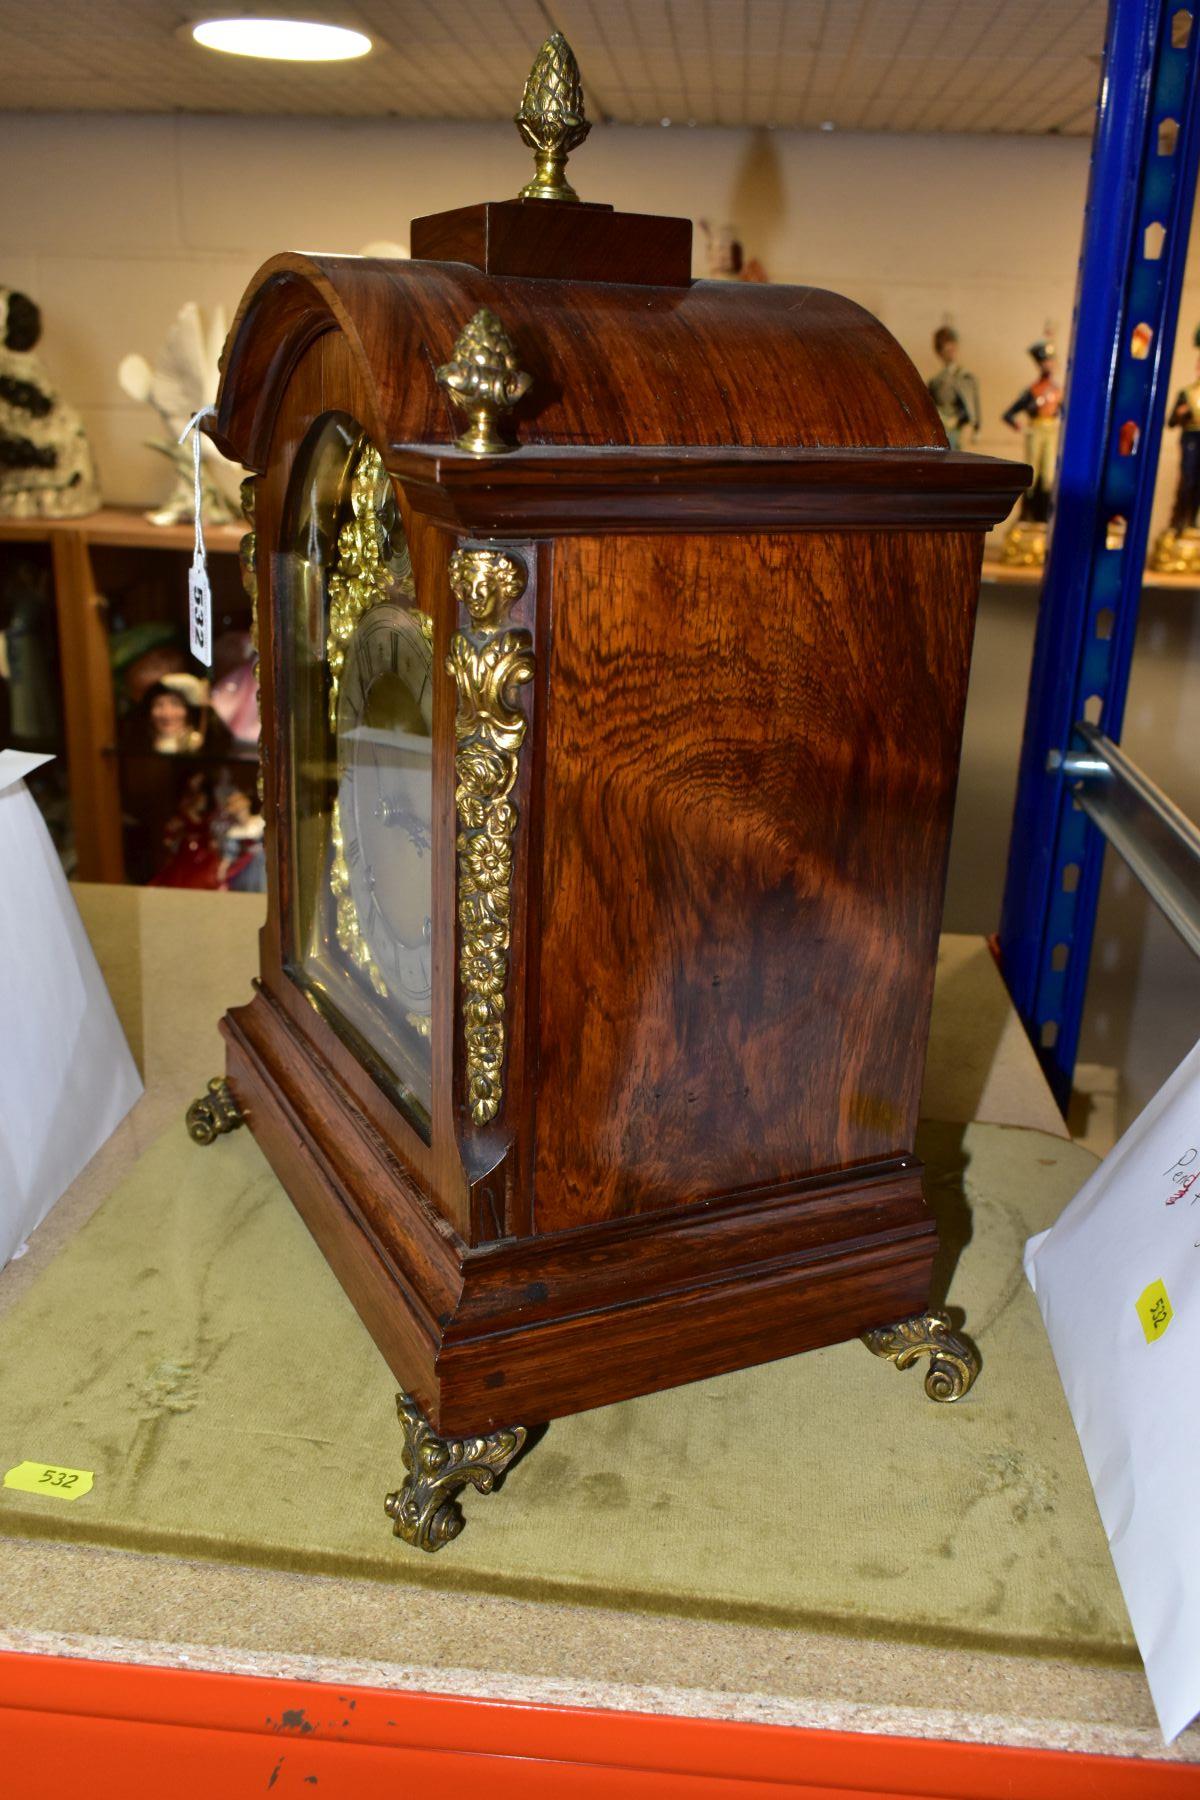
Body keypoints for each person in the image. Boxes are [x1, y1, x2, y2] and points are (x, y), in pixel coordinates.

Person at [1002, 339, 1063, 523]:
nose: (1048, 365)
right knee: (1033, 472)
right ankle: (1028, 513)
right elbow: (1009, 414)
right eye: (1044, 361)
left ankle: (1045, 514)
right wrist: (1019, 425)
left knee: (1049, 474)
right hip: (1036, 430)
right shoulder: (1032, 391)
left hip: (1052, 432)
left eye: (1050, 360)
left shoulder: (1058, 391)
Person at [927, 326, 980, 449]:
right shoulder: (935, 381)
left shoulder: (965, 377)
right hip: (940, 428)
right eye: (945, 348)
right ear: (940, 352)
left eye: (952, 346)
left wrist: (956, 420)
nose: (950, 350)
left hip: (956, 428)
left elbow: (971, 406)